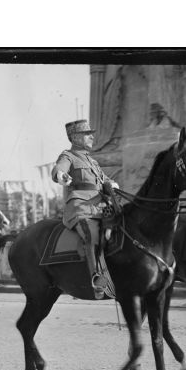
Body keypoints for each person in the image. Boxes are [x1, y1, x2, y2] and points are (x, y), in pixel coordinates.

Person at [52, 119, 118, 299]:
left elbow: (104, 179)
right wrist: (61, 175)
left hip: (101, 207)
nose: (91, 137)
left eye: (91, 133)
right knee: (92, 236)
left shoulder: (93, 161)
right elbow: (59, 169)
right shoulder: (68, 156)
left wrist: (112, 184)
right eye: (87, 134)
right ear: (75, 137)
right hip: (80, 208)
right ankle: (97, 280)